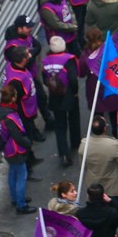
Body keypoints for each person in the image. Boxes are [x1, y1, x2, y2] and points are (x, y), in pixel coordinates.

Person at [0, 85, 32, 213]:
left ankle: (15, 198)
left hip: (8, 150)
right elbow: (17, 136)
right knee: (21, 176)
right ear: (13, 98)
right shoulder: (9, 117)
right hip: (16, 150)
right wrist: (28, 143)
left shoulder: (0, 112)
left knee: (13, 173)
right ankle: (21, 204)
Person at [41, 36, 80, 167]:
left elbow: (44, 79)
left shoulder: (45, 61)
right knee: (74, 119)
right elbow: (73, 80)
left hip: (55, 95)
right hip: (69, 94)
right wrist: (74, 92)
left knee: (60, 126)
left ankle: (64, 154)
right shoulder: (69, 59)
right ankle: (75, 143)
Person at [76, 114, 118, 196]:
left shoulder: (84, 144)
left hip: (93, 186)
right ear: (105, 128)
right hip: (111, 186)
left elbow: (82, 166)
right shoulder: (113, 145)